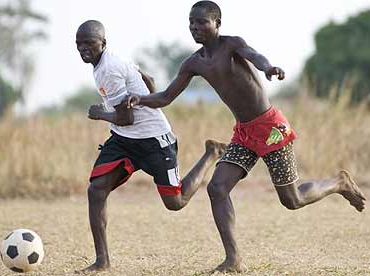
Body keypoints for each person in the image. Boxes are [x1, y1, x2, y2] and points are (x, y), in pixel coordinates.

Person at [127, 1, 366, 273]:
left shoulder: (232, 45)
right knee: (217, 189)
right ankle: (233, 260)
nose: (195, 27)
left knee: (292, 200)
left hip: (271, 128)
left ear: (217, 23)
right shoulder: (193, 63)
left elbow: (255, 56)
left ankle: (338, 182)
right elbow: (166, 97)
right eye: (191, 22)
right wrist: (139, 100)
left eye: (202, 22)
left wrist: (268, 67)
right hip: (244, 133)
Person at [75, 20, 227, 272]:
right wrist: (146, 100)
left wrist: (100, 114)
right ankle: (102, 261)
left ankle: (212, 153)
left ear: (103, 43)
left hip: (154, 141)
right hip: (124, 140)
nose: (83, 49)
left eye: (89, 43)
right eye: (78, 44)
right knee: (96, 190)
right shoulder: (108, 62)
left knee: (175, 203)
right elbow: (149, 79)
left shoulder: (109, 69)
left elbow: (126, 117)